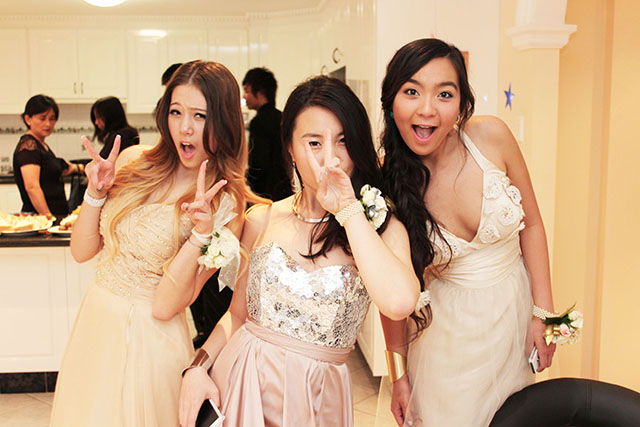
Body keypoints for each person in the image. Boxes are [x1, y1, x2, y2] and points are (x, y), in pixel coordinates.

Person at [178, 76, 420, 427]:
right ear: (290, 148)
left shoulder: (379, 227)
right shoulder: (262, 218)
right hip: (243, 382)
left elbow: (398, 303)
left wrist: (348, 210)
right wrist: (198, 367)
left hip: (319, 398)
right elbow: (237, 315)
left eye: (343, 141)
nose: (330, 158)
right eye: (314, 142)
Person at [49, 60, 261, 426]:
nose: (185, 127)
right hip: (96, 322)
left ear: (224, 121)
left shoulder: (226, 206)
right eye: (176, 112)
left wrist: (200, 234)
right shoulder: (134, 161)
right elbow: (82, 251)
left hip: (150, 340)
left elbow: (167, 306)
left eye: (200, 116)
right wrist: (95, 193)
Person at [378, 38, 556, 427]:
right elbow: (390, 294)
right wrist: (399, 376)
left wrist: (543, 313)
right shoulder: (385, 183)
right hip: (445, 340)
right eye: (412, 91)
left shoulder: (491, 136)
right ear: (391, 102)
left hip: (513, 318)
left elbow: (532, 225)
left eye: (444, 94)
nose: (427, 109)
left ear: (461, 104)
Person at [13, 94, 80, 217]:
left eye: (52, 119)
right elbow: (32, 187)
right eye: (42, 118)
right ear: (28, 119)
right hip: (40, 218)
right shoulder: (29, 146)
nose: (48, 124)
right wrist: (48, 217)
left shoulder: (40, 145)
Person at [242, 67, 292, 201]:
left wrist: (248, 183)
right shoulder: (284, 118)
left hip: (266, 193)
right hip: (286, 190)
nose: (244, 96)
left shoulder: (258, 122)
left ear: (260, 93)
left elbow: (259, 163)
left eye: (247, 91)